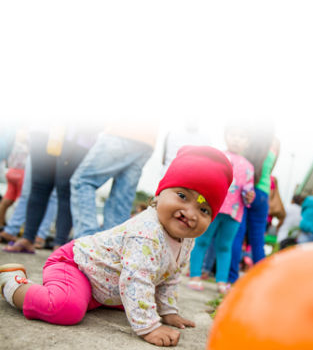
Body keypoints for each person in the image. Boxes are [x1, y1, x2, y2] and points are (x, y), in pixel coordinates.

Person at [0, 145, 233, 347]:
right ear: (159, 194)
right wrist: (149, 327)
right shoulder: (147, 232)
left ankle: (91, 298)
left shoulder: (186, 240)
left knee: (138, 300)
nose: (190, 213)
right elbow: (136, 279)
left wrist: (168, 312)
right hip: (75, 265)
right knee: (66, 307)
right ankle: (13, 284)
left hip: (102, 286)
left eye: (204, 210)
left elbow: (168, 277)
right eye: (182, 196)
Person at [3, 125, 95, 253]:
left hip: (75, 134)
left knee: (65, 188)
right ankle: (28, 238)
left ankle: (60, 244)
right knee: (38, 186)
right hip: (43, 129)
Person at [188, 124, 255, 294]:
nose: (237, 139)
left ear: (247, 142)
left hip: (234, 212)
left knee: (225, 246)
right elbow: (207, 178)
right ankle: (195, 275)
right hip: (213, 207)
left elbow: (248, 188)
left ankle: (222, 280)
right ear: (226, 136)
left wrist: (249, 196)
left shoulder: (249, 166)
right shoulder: (218, 156)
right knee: (202, 240)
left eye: (242, 136)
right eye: (233, 134)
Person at [70, 122, 156, 238]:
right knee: (121, 200)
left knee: (81, 182)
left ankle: (88, 241)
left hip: (121, 132)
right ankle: (110, 248)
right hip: (148, 141)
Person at [228, 129, 278, 284]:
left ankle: (232, 279)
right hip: (263, 192)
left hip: (244, 190)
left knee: (237, 235)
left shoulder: (248, 139)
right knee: (258, 240)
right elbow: (271, 170)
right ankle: (262, 281)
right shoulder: (275, 142)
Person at [0, 156, 57, 248]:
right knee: (27, 193)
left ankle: (40, 235)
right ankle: (12, 230)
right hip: (37, 149)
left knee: (51, 196)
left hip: (58, 148)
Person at [0, 129, 28, 229]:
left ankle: (1, 223)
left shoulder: (15, 140)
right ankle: (15, 228)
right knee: (21, 200)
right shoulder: (27, 143)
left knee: (7, 198)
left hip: (11, 171)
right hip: (22, 173)